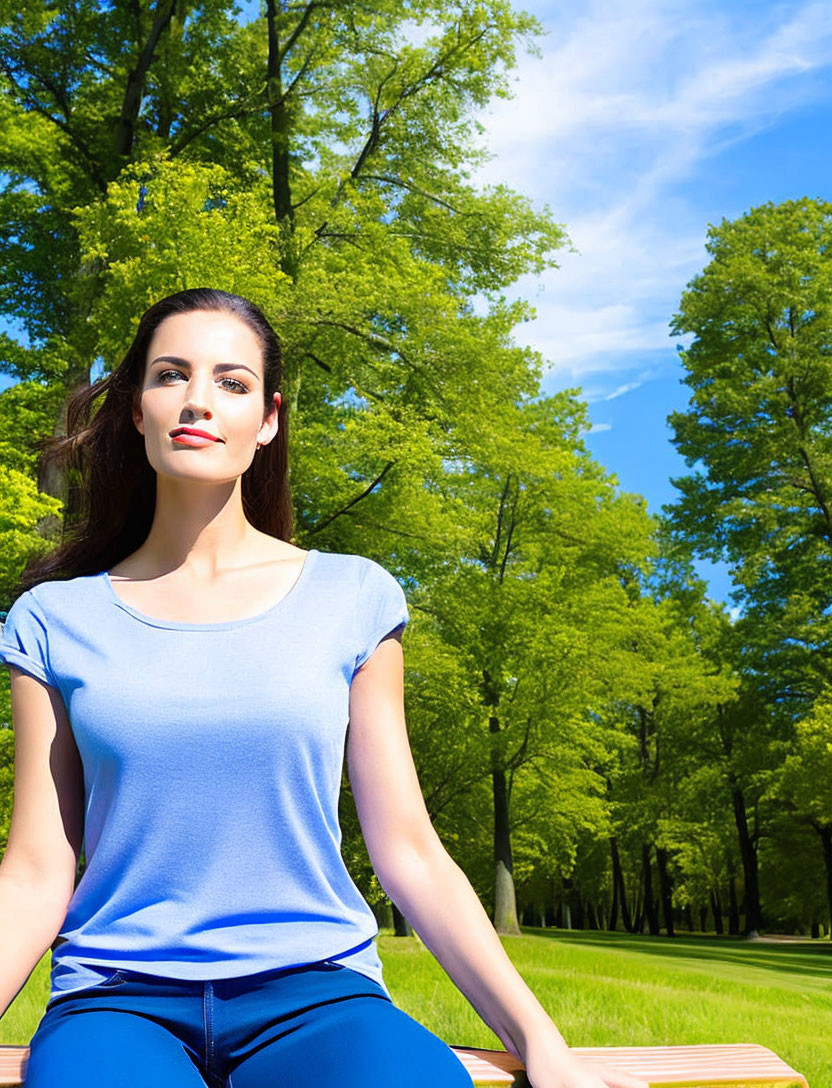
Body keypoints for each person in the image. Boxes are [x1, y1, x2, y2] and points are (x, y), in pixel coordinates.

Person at [0, 288, 647, 1088]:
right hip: (115, 1002)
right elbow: (34, 871)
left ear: (267, 420)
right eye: (172, 375)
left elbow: (408, 848)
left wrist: (542, 1041)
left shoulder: (354, 598)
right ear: (137, 409)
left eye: (231, 383)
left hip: (318, 996)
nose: (198, 400)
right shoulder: (52, 620)